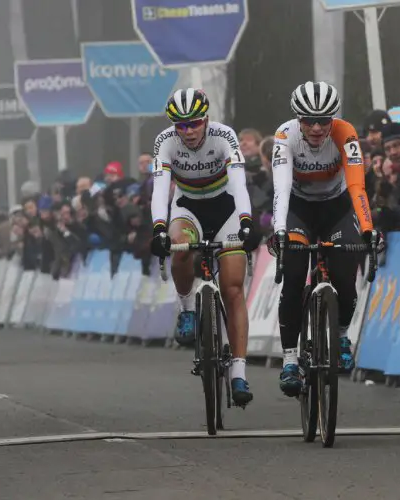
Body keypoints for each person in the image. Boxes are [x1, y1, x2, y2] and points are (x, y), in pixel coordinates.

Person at [269, 81, 381, 397]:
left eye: (323, 120)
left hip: (336, 208)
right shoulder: (285, 136)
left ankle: (342, 334)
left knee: (346, 279)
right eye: (308, 120)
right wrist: (279, 229)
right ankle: (290, 359)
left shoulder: (346, 134)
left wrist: (368, 229)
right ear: (297, 119)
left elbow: (358, 187)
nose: (317, 128)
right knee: (292, 278)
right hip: (298, 210)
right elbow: (281, 189)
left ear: (333, 118)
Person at [149, 88, 256, 407]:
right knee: (178, 245)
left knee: (233, 289)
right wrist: (158, 229)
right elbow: (159, 191)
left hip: (226, 209)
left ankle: (238, 373)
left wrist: (247, 221)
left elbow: (239, 183)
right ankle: (186, 309)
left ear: (206, 119)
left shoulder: (224, 136)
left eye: (194, 123)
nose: (188, 131)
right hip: (188, 207)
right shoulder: (164, 141)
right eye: (180, 125)